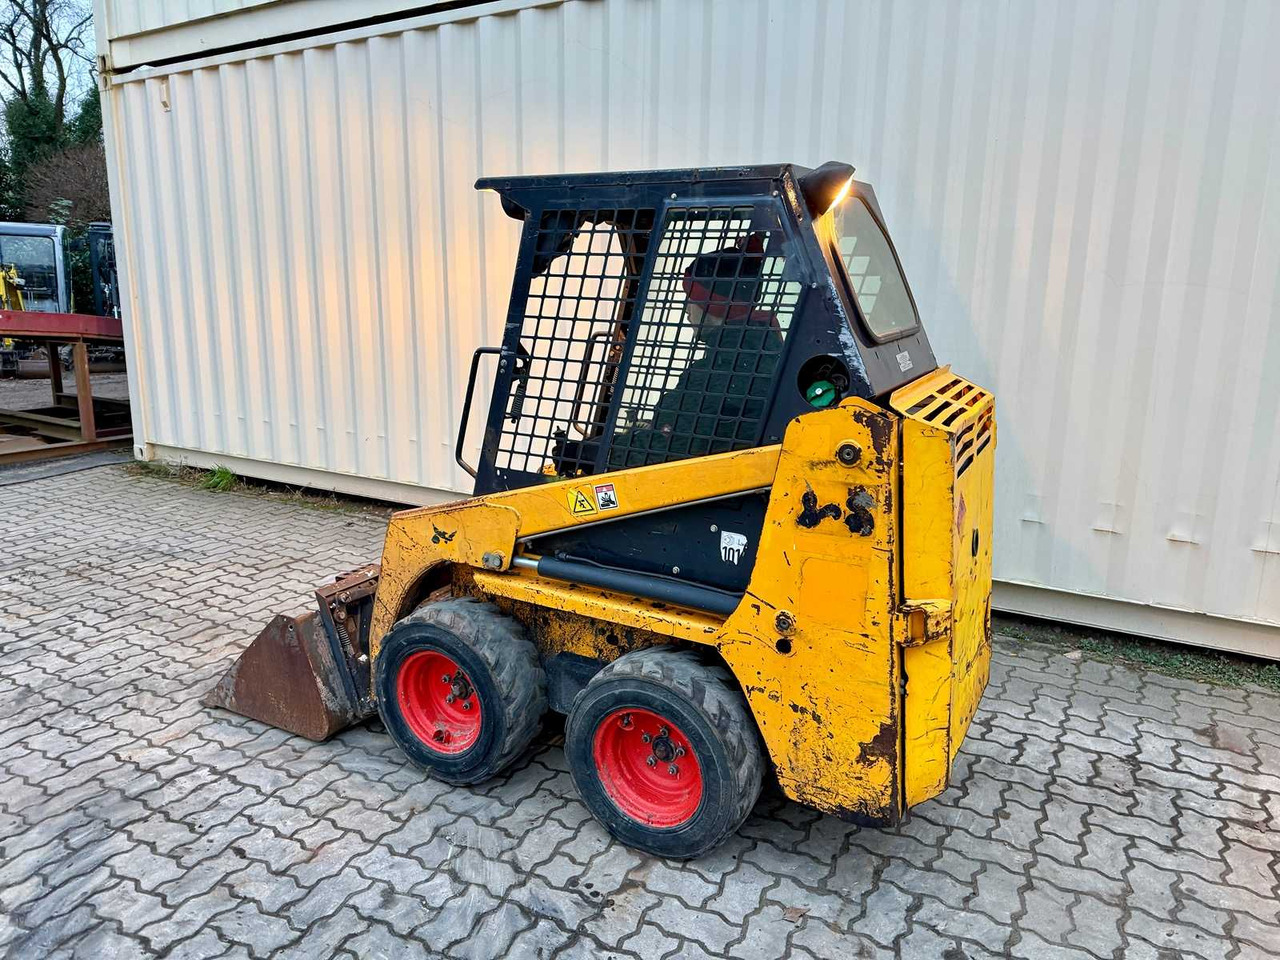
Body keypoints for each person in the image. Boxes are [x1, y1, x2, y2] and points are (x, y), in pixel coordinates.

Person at [610, 233, 784, 467]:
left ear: (714, 306)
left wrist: (601, 453)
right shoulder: (757, 353)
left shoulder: (722, 373)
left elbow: (668, 449)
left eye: (690, 298)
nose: (686, 310)